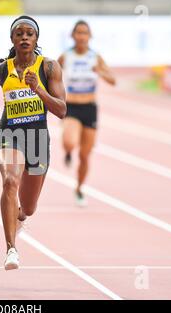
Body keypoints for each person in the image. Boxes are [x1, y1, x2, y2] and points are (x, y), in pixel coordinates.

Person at [0, 16, 66, 270]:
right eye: (19, 34)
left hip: (37, 138)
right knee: (10, 180)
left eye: (29, 34)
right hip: (9, 133)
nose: (24, 37)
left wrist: (39, 91)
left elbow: (62, 110)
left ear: (36, 39)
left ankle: (21, 216)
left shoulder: (49, 68)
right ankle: (11, 249)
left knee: (30, 207)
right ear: (12, 39)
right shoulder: (0, 70)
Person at [58, 20, 116, 207]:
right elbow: (52, 76)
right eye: (78, 33)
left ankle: (79, 188)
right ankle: (68, 151)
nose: (81, 36)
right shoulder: (66, 56)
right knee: (69, 142)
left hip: (90, 108)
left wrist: (100, 71)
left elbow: (113, 80)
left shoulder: (95, 57)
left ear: (89, 37)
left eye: (85, 33)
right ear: (73, 36)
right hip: (72, 107)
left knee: (84, 155)